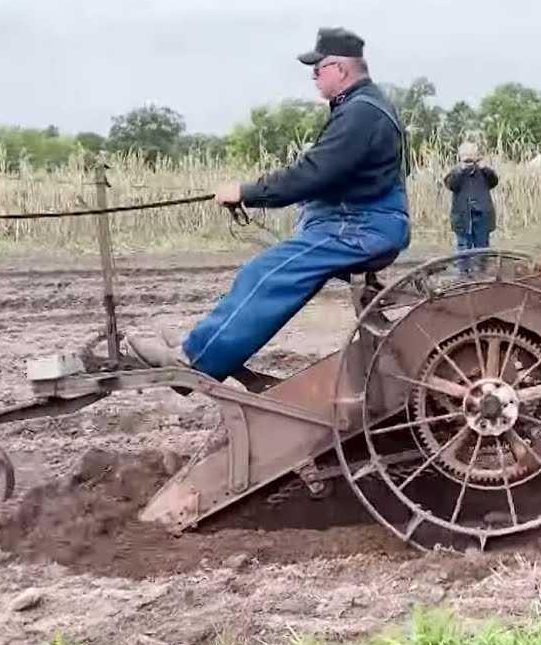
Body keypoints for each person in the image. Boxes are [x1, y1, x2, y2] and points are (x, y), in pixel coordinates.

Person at [124, 27, 412, 381]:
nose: (313, 74)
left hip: (362, 228)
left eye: (318, 67)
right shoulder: (363, 108)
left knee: (266, 274)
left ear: (341, 68)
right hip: (362, 223)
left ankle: (195, 360)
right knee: (268, 271)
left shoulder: (361, 114)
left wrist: (247, 192)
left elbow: (311, 174)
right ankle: (203, 342)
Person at [443, 141, 499, 275]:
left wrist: (484, 168)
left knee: (482, 246)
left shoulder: (484, 172)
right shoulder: (456, 173)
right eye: (465, 156)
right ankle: (464, 273)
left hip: (482, 214)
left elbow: (494, 181)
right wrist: (461, 169)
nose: (469, 160)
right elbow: (451, 185)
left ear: (477, 156)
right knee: (463, 246)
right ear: (460, 156)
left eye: (471, 156)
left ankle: (481, 272)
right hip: (463, 215)